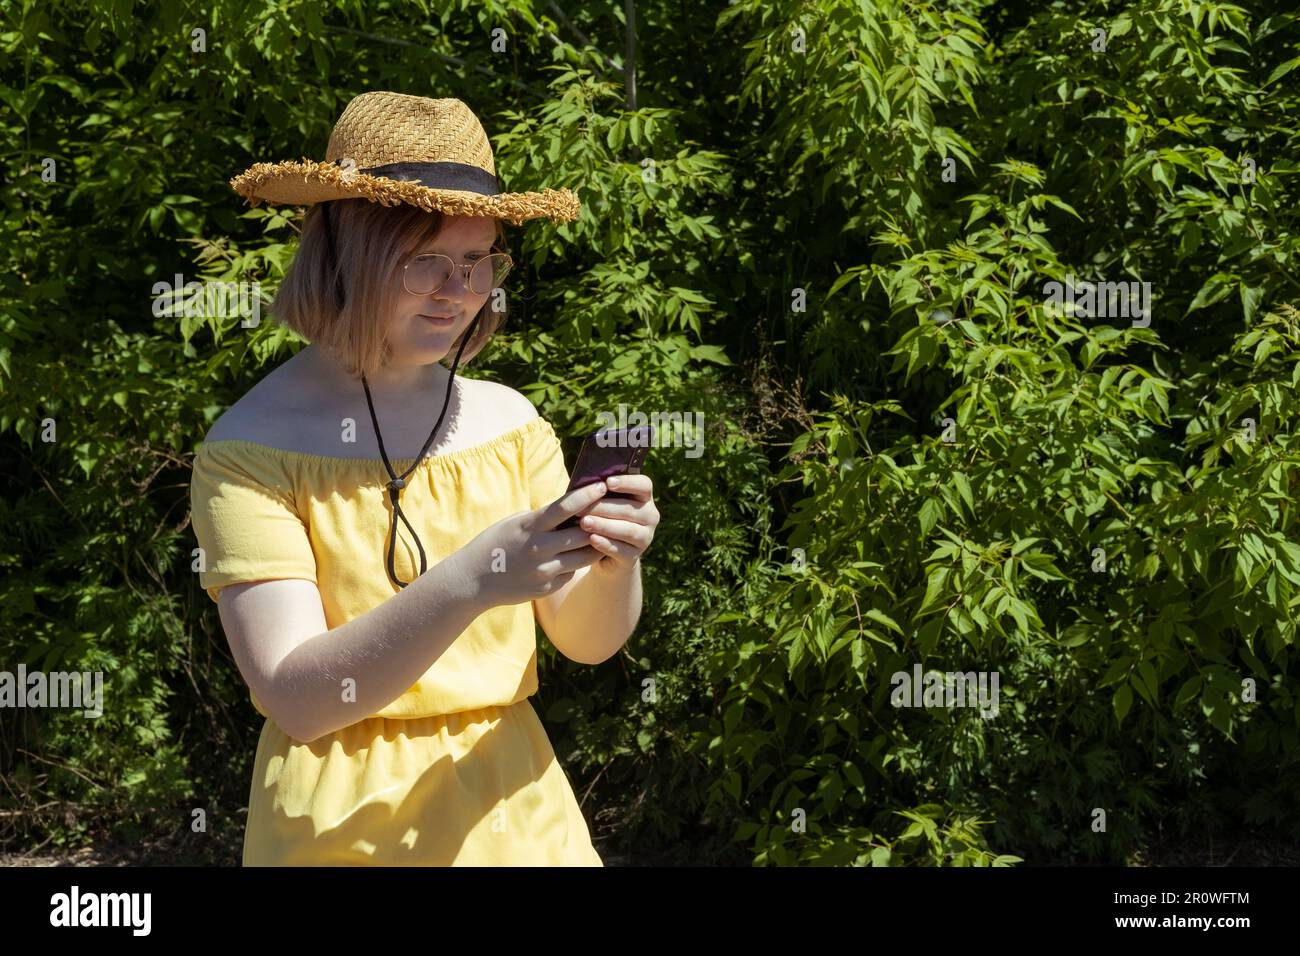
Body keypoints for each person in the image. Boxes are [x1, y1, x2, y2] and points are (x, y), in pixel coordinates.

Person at [189, 91, 659, 865]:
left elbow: (588, 643)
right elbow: (299, 699)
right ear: (345, 251)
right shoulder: (249, 450)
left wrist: (618, 561)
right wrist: (471, 581)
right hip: (338, 827)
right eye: (426, 261)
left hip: (516, 809)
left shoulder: (509, 423)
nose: (458, 291)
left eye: (478, 262)